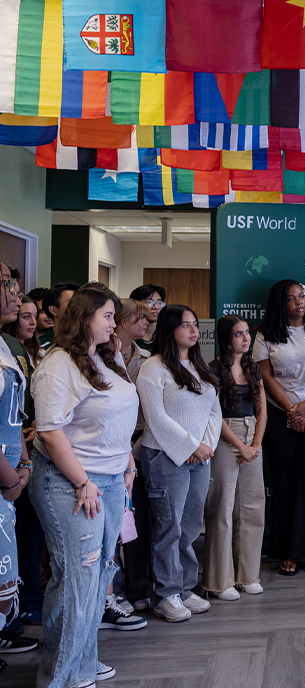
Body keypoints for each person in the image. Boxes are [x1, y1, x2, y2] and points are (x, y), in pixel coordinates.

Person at [31, 284, 139, 686]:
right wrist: (83, 481)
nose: (115, 323)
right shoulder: (58, 364)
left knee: (97, 577)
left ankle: (81, 659)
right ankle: (61, 676)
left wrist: (126, 464)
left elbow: (118, 416)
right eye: (108, 315)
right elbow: (51, 432)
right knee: (78, 578)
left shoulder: (105, 357)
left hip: (110, 480)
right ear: (85, 318)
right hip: (72, 483)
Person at [137, 305, 222, 623]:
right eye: (186, 325)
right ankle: (165, 594)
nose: (194, 330)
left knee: (189, 525)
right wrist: (189, 447)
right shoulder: (153, 368)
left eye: (195, 325)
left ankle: (186, 588)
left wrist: (206, 447)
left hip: (200, 458)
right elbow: (155, 418)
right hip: (164, 456)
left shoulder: (199, 366)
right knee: (168, 526)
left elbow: (214, 412)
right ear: (169, 329)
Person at [254, 280, 305, 576]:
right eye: (291, 299)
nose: (299, 302)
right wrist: (291, 410)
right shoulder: (264, 335)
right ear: (279, 303)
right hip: (279, 415)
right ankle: (285, 552)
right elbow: (265, 376)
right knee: (284, 482)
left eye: (301, 296)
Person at [203, 315, 267, 600]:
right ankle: (220, 581)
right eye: (238, 334)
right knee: (223, 509)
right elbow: (214, 416)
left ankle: (248, 575)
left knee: (252, 506)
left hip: (253, 436)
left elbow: (262, 409)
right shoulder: (214, 370)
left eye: (247, 333)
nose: (245, 338)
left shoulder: (253, 368)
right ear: (226, 339)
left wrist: (254, 444)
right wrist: (240, 447)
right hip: (224, 435)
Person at [0, 260, 35, 657]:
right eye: (5, 284)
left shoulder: (6, 347)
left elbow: (15, 416)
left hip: (12, 474)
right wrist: (11, 479)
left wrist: (23, 464)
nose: (14, 292)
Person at [114, 300, 154, 611]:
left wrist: (134, 453)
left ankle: (139, 587)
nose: (147, 323)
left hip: (139, 446)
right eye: (141, 319)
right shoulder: (100, 355)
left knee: (136, 520)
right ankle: (111, 592)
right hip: (108, 447)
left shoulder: (147, 360)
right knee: (108, 526)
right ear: (124, 322)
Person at [38, 282, 79, 350]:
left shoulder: (86, 344)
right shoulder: (39, 346)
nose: (78, 307)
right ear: (53, 310)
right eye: (71, 302)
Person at [129, 284, 166, 351]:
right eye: (150, 302)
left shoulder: (165, 337)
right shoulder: (129, 337)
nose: (155, 307)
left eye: (159, 303)